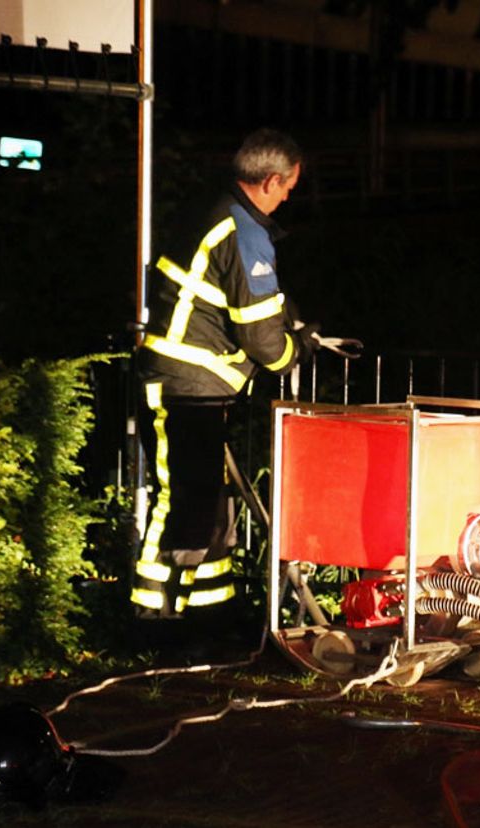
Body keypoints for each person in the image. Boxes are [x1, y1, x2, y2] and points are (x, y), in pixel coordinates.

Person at [131, 128, 321, 635]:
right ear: (271, 180)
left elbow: (247, 304)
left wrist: (288, 320)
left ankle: (205, 614)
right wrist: (294, 351)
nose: (287, 198)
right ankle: (155, 621)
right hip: (187, 387)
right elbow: (262, 340)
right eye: (287, 188)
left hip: (191, 385)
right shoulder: (245, 233)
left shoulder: (217, 215)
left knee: (206, 502)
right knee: (187, 501)